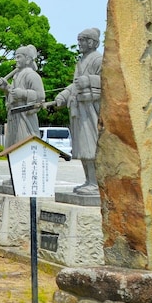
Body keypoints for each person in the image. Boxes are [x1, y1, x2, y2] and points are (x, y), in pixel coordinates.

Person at [54, 28, 102, 195]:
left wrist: (88, 80)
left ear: (91, 42)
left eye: (82, 40)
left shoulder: (98, 59)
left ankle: (95, 183)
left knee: (91, 146)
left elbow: (108, 80)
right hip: (79, 110)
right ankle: (88, 180)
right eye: (79, 40)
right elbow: (75, 84)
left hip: (91, 111)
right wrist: (63, 95)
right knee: (83, 148)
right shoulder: (81, 61)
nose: (79, 44)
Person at [0, 45, 46, 149]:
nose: (16, 60)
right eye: (15, 57)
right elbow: (13, 94)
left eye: (19, 57)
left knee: (25, 147)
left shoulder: (32, 75)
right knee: (13, 149)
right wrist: (6, 88)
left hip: (25, 118)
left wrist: (24, 94)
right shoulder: (16, 76)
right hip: (14, 117)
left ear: (27, 59)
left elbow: (41, 96)